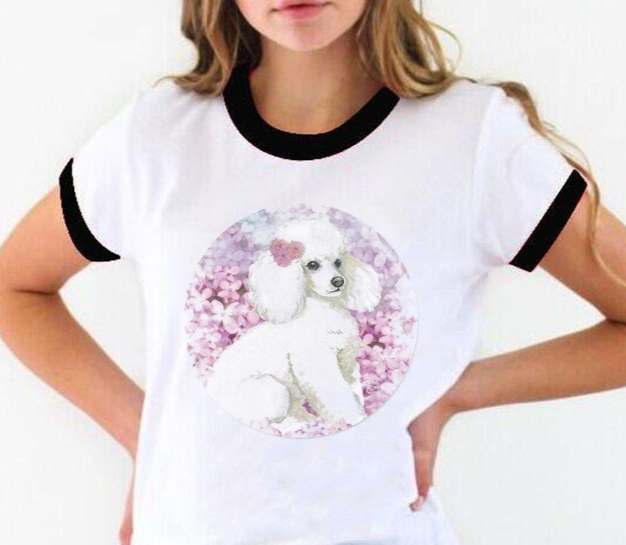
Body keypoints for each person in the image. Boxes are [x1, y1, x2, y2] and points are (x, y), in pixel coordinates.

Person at [0, 1, 625, 544]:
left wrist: (460, 390)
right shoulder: (156, 138)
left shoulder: (475, 139)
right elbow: (15, 285)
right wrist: (145, 436)